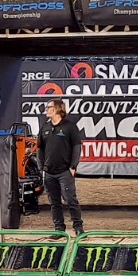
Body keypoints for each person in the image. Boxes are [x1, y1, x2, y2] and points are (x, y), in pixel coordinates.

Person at [38, 99, 84, 235]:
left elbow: (77, 147)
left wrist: (73, 166)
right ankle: (59, 228)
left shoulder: (69, 127)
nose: (46, 109)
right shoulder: (45, 127)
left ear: (58, 109)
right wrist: (41, 166)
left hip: (65, 171)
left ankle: (78, 227)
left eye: (49, 107)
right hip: (49, 172)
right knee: (54, 202)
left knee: (70, 199)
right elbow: (40, 148)